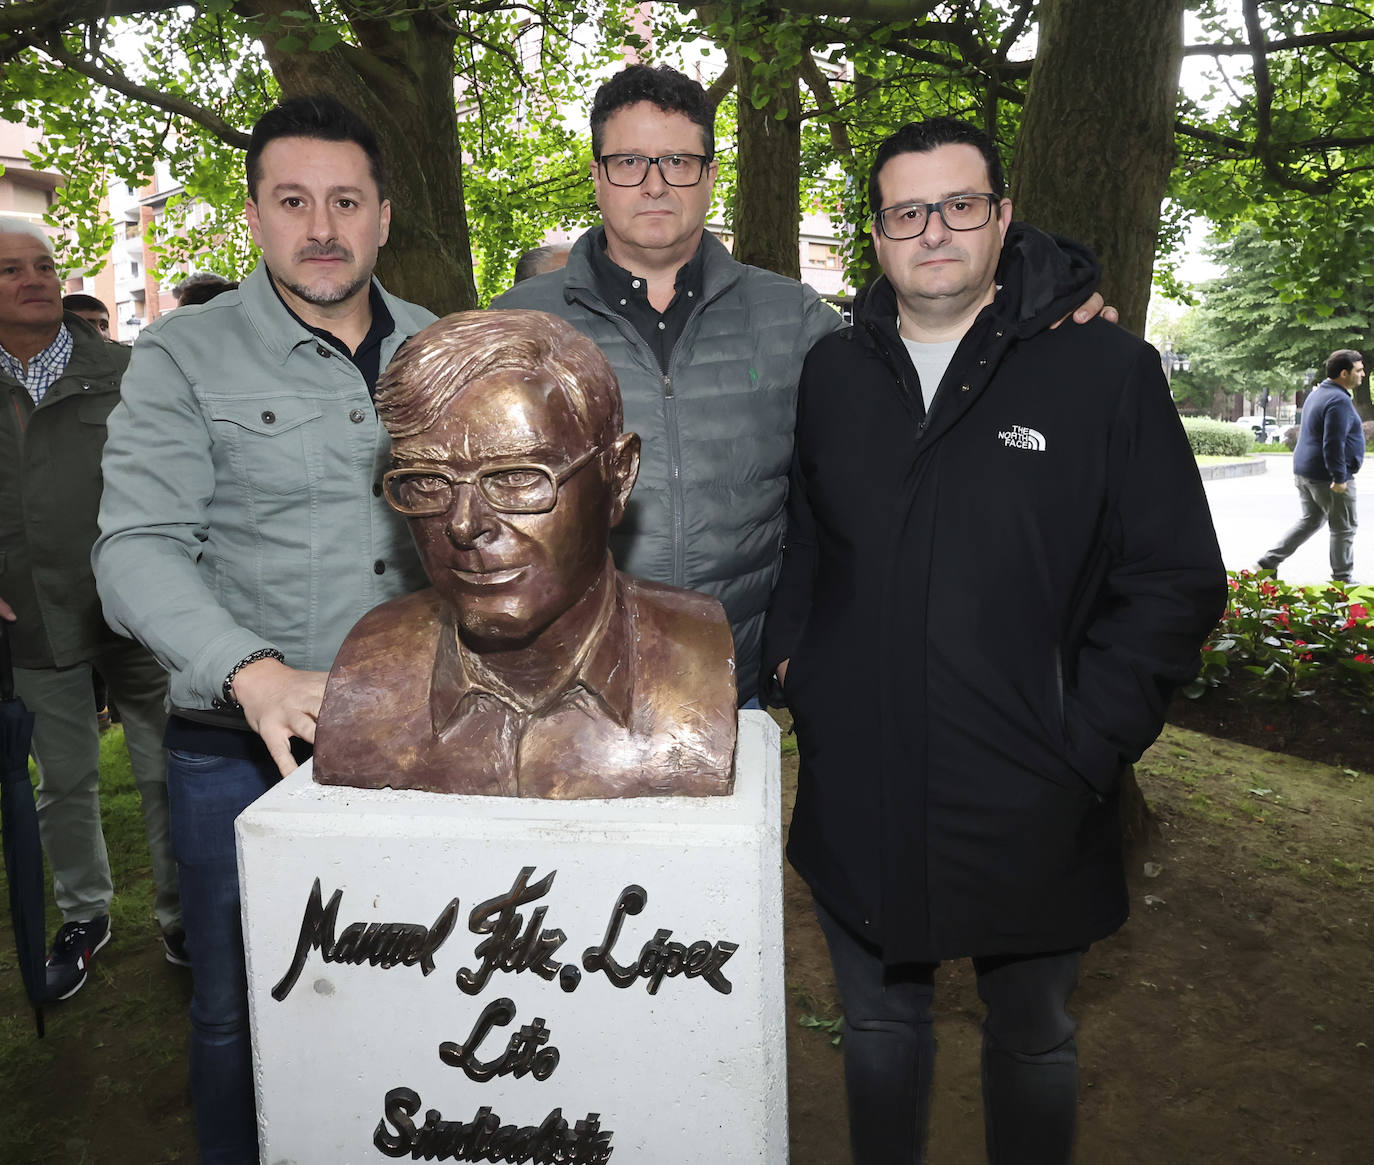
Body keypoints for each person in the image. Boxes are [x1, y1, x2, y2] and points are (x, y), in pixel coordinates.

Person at [761, 119, 1227, 1164]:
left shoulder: (1105, 371)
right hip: (863, 777)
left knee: (1033, 1035)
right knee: (879, 1027)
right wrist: (799, 664)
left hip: (1035, 783)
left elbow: (1175, 577)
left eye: (960, 204)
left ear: (1003, 216)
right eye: (906, 212)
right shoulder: (834, 373)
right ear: (876, 234)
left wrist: (1089, 736)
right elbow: (806, 537)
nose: (934, 231)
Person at [493, 64, 1112, 707]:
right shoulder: (515, 325)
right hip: (563, 684)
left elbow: (930, 325)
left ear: (709, 174)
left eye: (678, 160)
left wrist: (1045, 291)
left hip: (732, 683)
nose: (654, 184)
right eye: (628, 162)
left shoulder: (794, 319)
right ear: (597, 175)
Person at [93, 96, 436, 1164]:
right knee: (240, 1011)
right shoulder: (182, 357)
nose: (321, 225)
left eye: (346, 200)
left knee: (413, 1000)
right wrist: (252, 671)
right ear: (254, 216)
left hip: (421, 742)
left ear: (383, 216)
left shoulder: (441, 348)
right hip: (237, 756)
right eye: (294, 201)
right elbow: (132, 548)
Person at [313, 310, 736, 798]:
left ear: (618, 477)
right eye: (428, 481)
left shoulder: (692, 662)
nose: (464, 524)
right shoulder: (370, 670)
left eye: (517, 477)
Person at [0, 217, 182, 999]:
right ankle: (84, 915)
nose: (35, 279)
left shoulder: (129, 367)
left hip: (136, 603)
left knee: (166, 762)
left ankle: (182, 912)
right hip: (31, 612)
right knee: (65, 776)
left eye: (43, 265)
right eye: (11, 270)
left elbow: (176, 474)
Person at [1259, 349, 1365, 582]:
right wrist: (1339, 478)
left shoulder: (1319, 393)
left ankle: (1268, 562)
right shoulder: (1338, 400)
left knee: (1311, 520)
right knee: (1343, 527)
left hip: (1306, 471)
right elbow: (1333, 442)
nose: (1363, 374)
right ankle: (1343, 578)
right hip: (1328, 476)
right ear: (1344, 373)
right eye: (1359, 370)